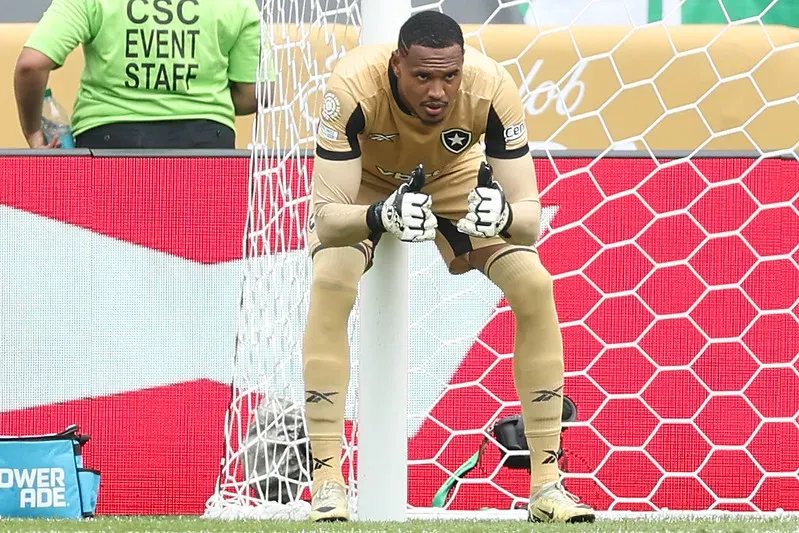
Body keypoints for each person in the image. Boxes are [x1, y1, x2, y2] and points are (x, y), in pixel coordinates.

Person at [302, 10, 596, 524]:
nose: (438, 90)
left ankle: (548, 487)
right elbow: (326, 220)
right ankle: (327, 482)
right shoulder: (351, 86)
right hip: (366, 186)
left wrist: (503, 212)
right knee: (331, 278)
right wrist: (381, 213)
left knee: (534, 284)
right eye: (422, 76)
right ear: (396, 65)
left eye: (449, 75)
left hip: (453, 178)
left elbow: (529, 219)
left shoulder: (491, 88)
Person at [14, 0, 271, 149]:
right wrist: (192, 92)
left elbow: (31, 65)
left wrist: (33, 133)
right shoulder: (238, 2)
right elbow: (254, 93)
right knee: (202, 241)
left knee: (108, 241)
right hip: (208, 145)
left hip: (108, 145)